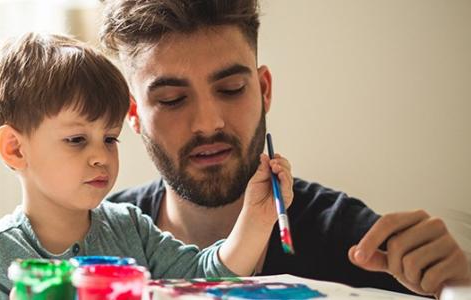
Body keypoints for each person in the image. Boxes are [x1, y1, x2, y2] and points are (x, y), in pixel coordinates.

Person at [100, 0, 471, 297]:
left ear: (264, 90)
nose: (208, 122)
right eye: (172, 99)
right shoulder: (96, 237)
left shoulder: (349, 240)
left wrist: (459, 285)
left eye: (230, 90)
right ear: (134, 113)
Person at [0, 32, 294, 299]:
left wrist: (257, 218)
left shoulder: (129, 227)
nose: (101, 155)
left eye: (110, 138)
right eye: (77, 140)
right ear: (15, 149)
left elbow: (205, 279)